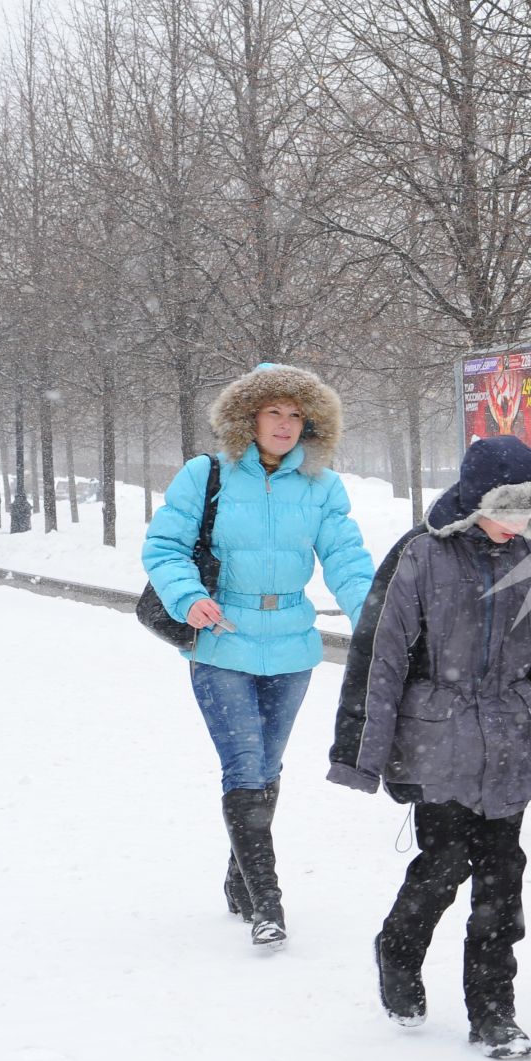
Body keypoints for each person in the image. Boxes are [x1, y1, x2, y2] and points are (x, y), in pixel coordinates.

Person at [327, 435, 531, 1060]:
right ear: (478, 501)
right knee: (443, 864)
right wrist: (360, 753)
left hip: (511, 745)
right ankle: (399, 947)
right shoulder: (422, 557)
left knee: (503, 879)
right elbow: (380, 658)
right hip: (437, 743)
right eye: (512, 509)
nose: (523, 524)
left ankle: (494, 1011)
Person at [142, 363, 375, 950]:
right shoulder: (207, 474)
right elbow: (164, 545)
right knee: (245, 765)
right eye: (275, 411)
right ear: (248, 418)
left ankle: (238, 876)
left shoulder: (322, 486)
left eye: (297, 414)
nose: (286, 424)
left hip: (294, 647)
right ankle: (268, 900)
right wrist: (188, 597)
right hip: (222, 641)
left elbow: (346, 559)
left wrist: (373, 617)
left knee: (267, 770)